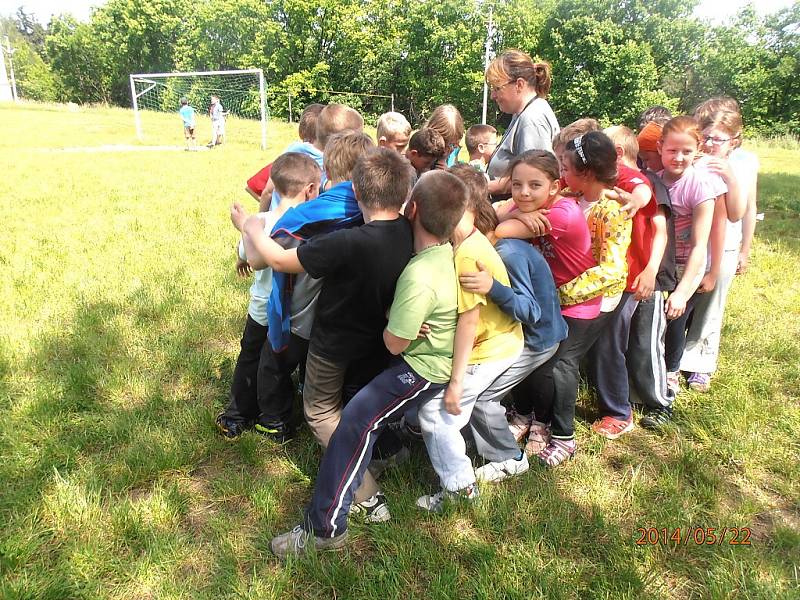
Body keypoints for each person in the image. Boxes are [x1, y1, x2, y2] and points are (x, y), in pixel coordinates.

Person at [268, 170, 466, 559]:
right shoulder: (436, 253)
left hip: (421, 368)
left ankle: (324, 528)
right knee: (358, 416)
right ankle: (382, 459)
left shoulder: (421, 275)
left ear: (411, 209)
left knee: (355, 423)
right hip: (426, 361)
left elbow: (395, 340)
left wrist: (399, 319)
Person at [242, 146, 417, 518]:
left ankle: (367, 495)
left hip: (332, 345)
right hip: (378, 341)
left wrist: (250, 225)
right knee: (358, 407)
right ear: (405, 195)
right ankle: (391, 452)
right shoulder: (407, 231)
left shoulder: (347, 241)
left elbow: (276, 260)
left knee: (321, 413)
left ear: (354, 191)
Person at [414, 167, 525, 511]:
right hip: (493, 342)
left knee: (436, 415)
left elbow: (468, 320)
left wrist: (457, 383)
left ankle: (460, 489)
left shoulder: (465, 255)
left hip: (489, 349)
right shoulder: (468, 240)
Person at [494, 150, 601, 459]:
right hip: (547, 297)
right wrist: (514, 212)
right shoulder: (526, 206)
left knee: (554, 368)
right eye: (516, 185)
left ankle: (558, 432)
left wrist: (512, 215)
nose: (524, 193)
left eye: (534, 185)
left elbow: (498, 230)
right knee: (526, 357)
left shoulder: (561, 213)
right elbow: (494, 215)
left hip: (577, 301)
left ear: (554, 186)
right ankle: (525, 415)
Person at [216, 152, 322, 440]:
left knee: (251, 358)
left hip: (261, 309)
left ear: (273, 185)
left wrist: (244, 231)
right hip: (294, 314)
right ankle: (277, 418)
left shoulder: (259, 222)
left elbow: (246, 257)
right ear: (311, 190)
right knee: (279, 364)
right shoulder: (313, 226)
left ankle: (237, 416)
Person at [584, 125, 663, 439]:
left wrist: (637, 199)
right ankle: (607, 397)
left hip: (627, 279)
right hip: (610, 277)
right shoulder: (609, 179)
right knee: (604, 341)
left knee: (610, 343)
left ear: (616, 154)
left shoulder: (628, 178)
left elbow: (642, 189)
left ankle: (619, 412)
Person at [680, 98, 758, 392]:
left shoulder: (745, 163)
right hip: (691, 244)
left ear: (734, 141)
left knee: (711, 306)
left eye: (718, 139)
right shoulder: (695, 160)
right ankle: (673, 357)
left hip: (726, 245)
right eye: (707, 137)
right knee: (686, 299)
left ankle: (700, 363)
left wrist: (745, 251)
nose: (711, 144)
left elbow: (743, 210)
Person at [659, 116, 728, 396]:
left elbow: (703, 243)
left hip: (689, 265)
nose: (679, 157)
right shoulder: (653, 180)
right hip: (663, 263)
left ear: (697, 149)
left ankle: (671, 372)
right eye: (672, 150)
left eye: (687, 151)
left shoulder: (700, 186)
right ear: (661, 147)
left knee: (676, 317)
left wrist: (684, 291)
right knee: (658, 319)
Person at [484, 49, 560, 199]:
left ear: (519, 85)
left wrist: (476, 188)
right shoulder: (521, 114)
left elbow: (533, 181)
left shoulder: (532, 119)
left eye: (497, 88)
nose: (493, 95)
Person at [260, 103, 363, 212]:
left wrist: (264, 217)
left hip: (275, 220)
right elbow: (335, 188)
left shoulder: (293, 148)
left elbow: (268, 192)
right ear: (339, 142)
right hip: (296, 224)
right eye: (356, 140)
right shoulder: (327, 162)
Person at [245, 103, 324, 202]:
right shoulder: (328, 160)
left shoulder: (290, 156)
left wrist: (269, 212)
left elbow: (258, 190)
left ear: (301, 130)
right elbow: (255, 187)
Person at [425, 104, 465, 169]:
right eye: (445, 141)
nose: (446, 149)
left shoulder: (454, 151)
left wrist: (447, 173)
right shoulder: (422, 145)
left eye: (452, 144)